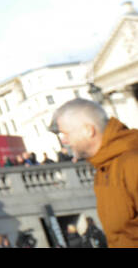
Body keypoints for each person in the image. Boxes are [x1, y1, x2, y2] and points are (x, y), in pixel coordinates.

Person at [52, 98, 138, 247]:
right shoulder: (103, 168)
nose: (64, 141)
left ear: (88, 130)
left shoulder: (132, 163)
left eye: (65, 134)